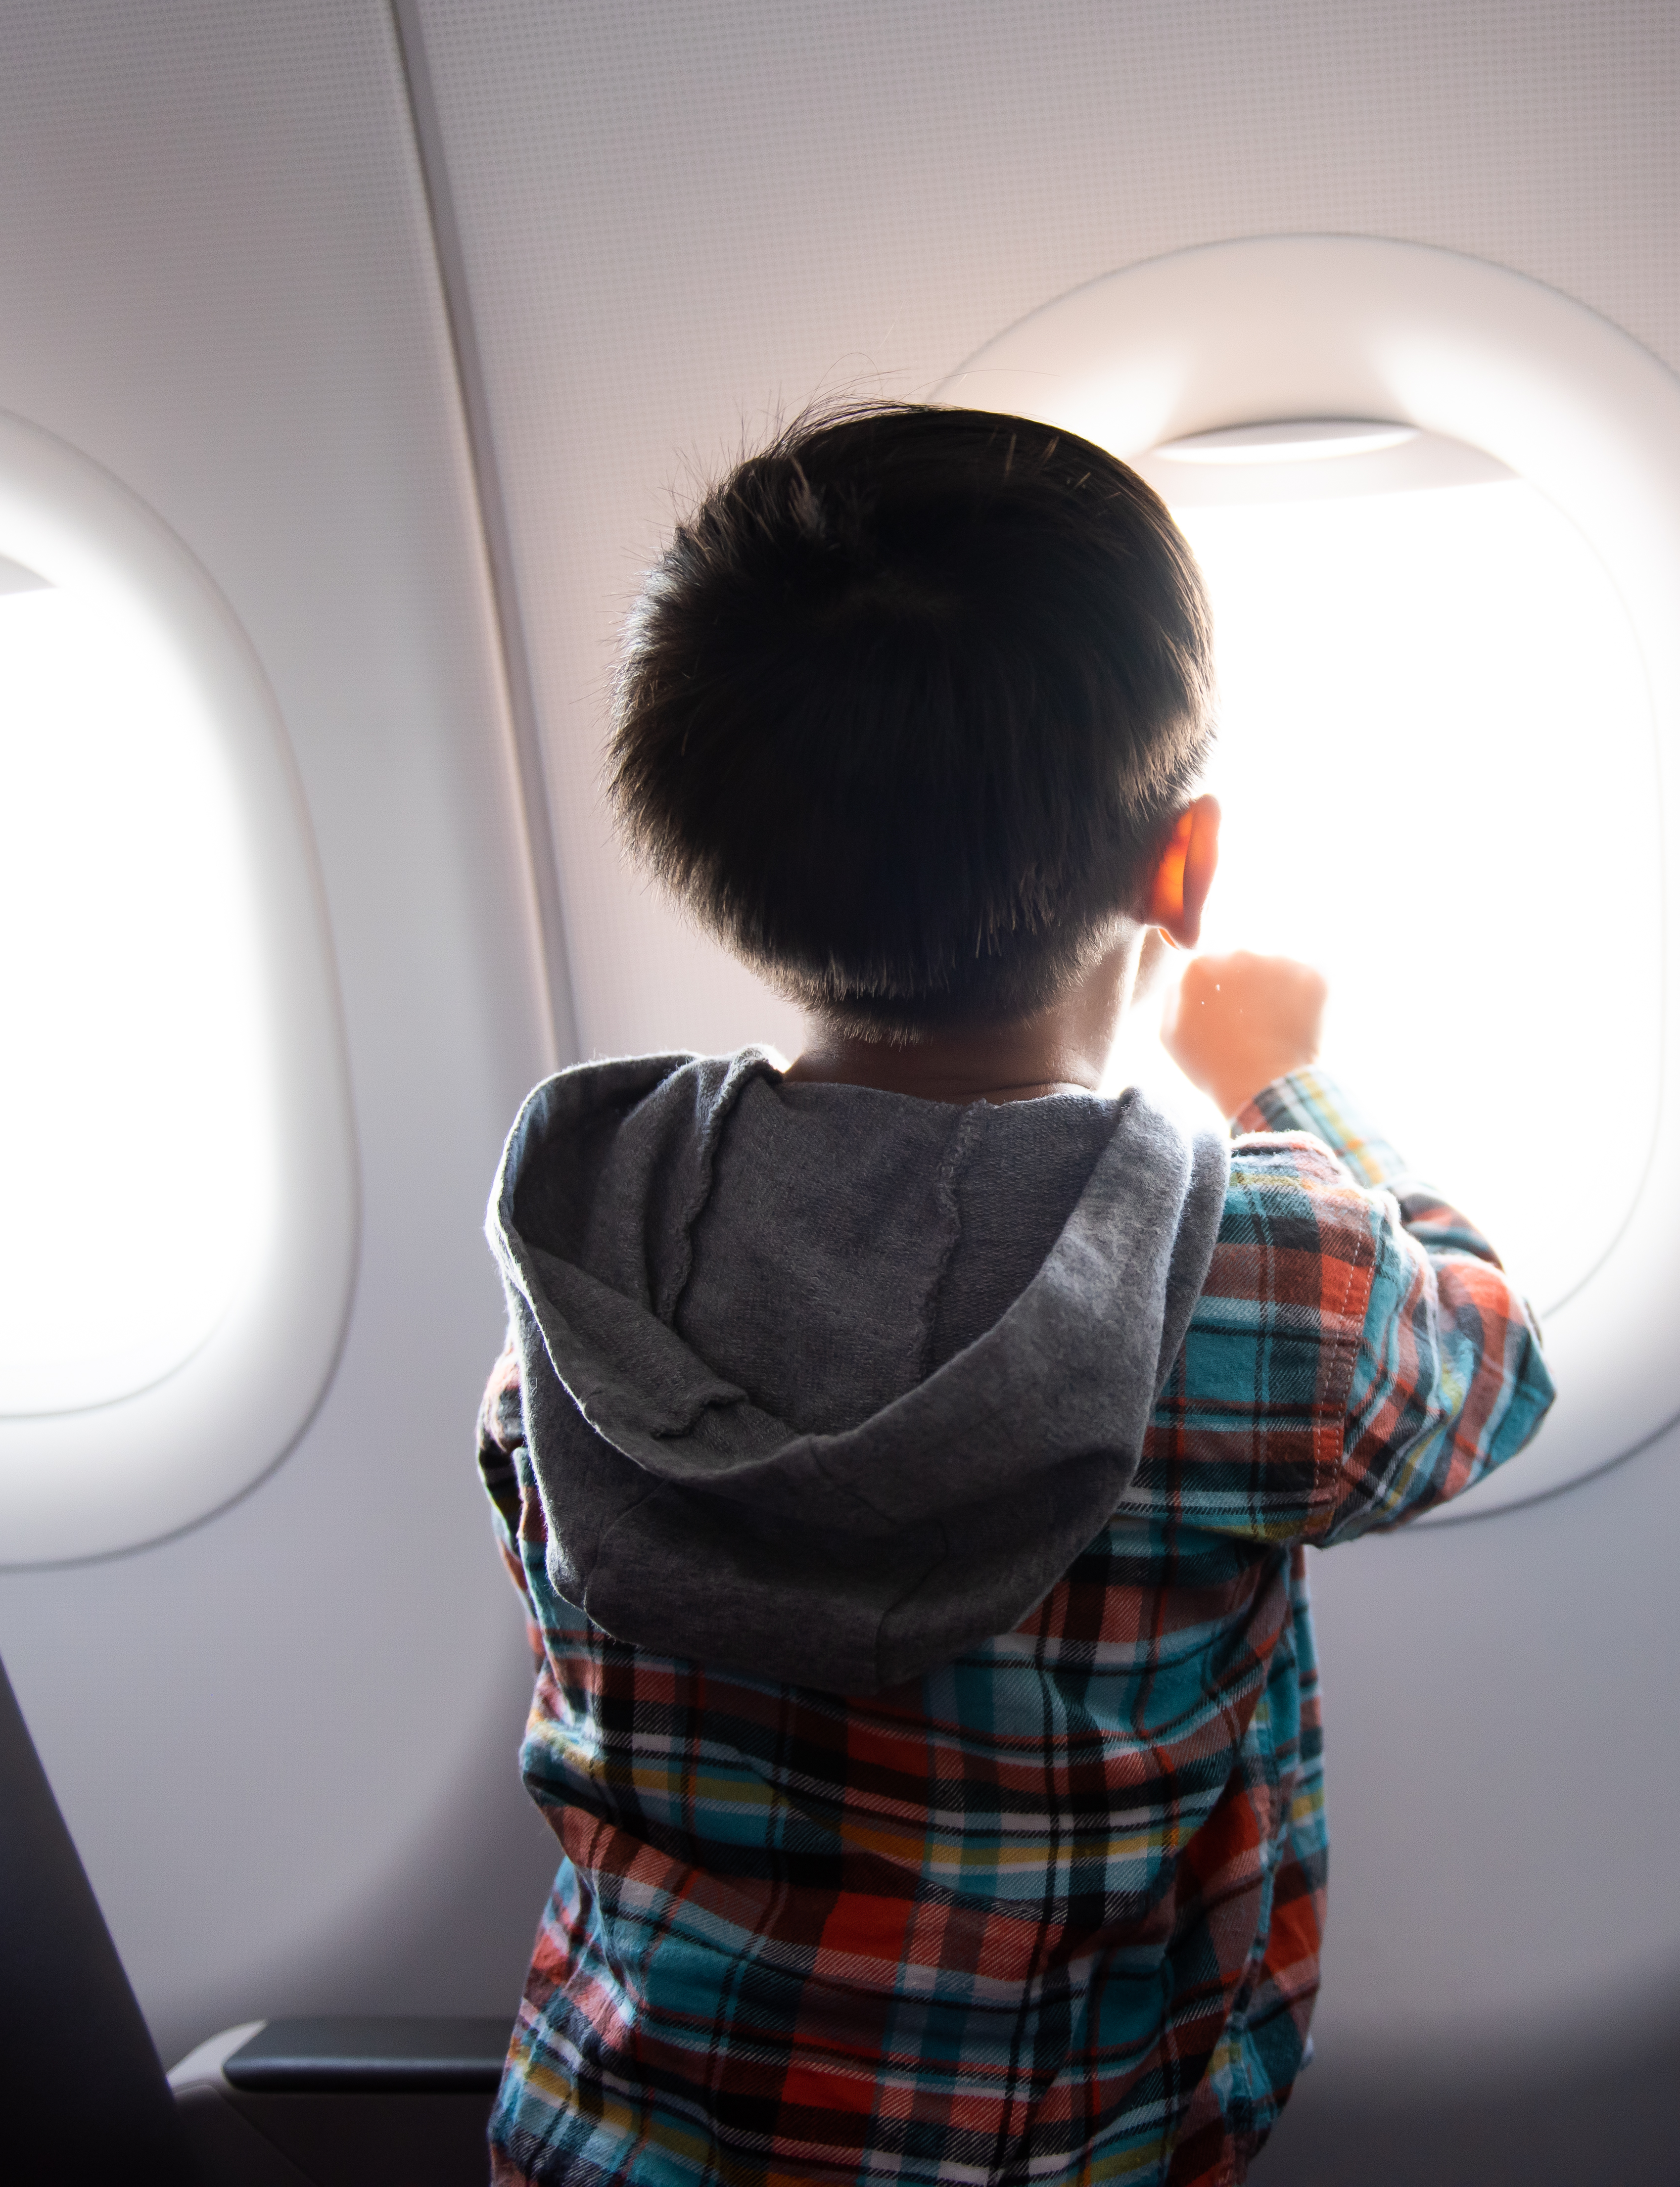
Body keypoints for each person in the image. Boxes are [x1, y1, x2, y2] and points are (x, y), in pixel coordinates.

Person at [477, 401, 1552, 2186]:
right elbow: (1485, 1370)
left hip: (597, 2141)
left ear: (705, 851)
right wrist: (1280, 1082)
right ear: (1184, 868)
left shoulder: (596, 1233)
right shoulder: (1245, 1272)